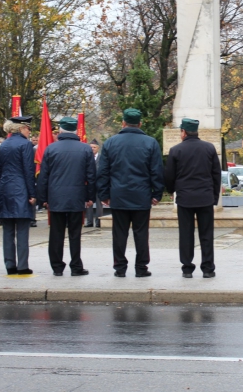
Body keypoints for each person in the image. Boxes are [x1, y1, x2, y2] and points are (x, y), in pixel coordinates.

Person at [97, 109, 164, 278]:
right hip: (141, 196)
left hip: (118, 195)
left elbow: (103, 171)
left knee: (119, 233)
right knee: (141, 233)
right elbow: (156, 170)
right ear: (140, 124)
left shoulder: (111, 143)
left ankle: (120, 267)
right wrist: (157, 193)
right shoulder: (150, 143)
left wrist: (104, 194)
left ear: (123, 123)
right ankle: (141, 267)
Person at [37, 117, 96, 276]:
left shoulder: (51, 149)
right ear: (76, 130)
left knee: (56, 233)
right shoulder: (85, 149)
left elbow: (43, 176)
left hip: (56, 198)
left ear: (61, 130)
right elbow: (91, 175)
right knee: (75, 234)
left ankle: (57, 267)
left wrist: (43, 198)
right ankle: (76, 266)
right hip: (77, 197)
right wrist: (90, 197)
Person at [165, 118, 221, 278]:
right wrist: (214, 197)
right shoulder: (209, 148)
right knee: (206, 234)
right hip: (205, 198)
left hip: (185, 199)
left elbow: (169, 175)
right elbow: (216, 175)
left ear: (183, 132)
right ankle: (208, 268)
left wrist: (172, 190)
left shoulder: (176, 150)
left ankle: (187, 268)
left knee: (186, 234)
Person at [0, 116, 36, 275]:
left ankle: (10, 265)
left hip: (5, 189)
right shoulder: (25, 145)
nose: (29, 131)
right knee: (23, 229)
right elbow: (28, 171)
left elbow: (0, 170)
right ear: (20, 128)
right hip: (21, 189)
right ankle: (23, 265)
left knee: (8, 230)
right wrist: (32, 193)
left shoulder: (3, 145)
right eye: (28, 128)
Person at [85, 139, 103, 228]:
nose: (92, 149)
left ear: (98, 148)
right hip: (88, 184)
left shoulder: (102, 158)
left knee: (99, 204)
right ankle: (89, 221)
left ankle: (99, 221)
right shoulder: (86, 157)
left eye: (94, 147)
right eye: (91, 147)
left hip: (98, 184)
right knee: (89, 203)